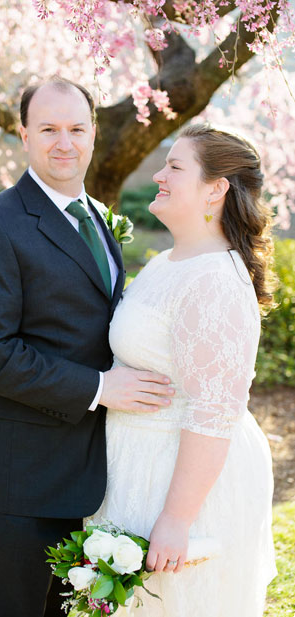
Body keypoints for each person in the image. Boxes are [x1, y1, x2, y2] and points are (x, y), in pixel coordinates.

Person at [0, 77, 175, 617]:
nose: (64, 143)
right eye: (48, 129)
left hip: (88, 476)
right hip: (17, 479)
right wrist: (100, 387)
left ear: (94, 133)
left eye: (76, 128)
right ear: (23, 133)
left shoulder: (96, 215)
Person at [89, 123, 276, 615]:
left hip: (181, 482)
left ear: (215, 188)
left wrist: (176, 519)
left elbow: (215, 412)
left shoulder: (215, 279)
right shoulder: (166, 262)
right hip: (136, 463)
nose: (158, 175)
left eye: (174, 167)